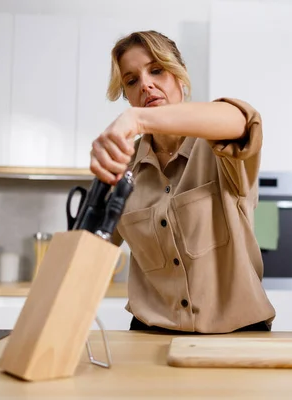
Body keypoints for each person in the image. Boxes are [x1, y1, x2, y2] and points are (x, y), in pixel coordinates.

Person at [90, 30, 276, 334]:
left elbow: (242, 119)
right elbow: (90, 250)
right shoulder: (124, 167)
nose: (146, 84)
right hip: (150, 337)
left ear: (180, 75)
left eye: (157, 70)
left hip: (237, 337)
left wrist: (137, 120)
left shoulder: (221, 149)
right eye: (132, 80)